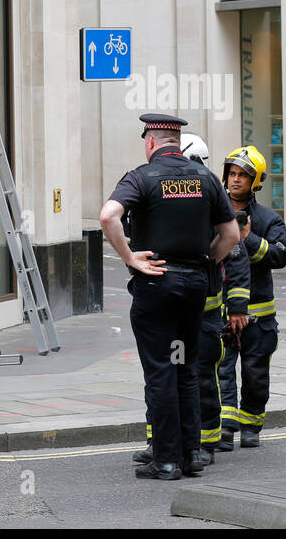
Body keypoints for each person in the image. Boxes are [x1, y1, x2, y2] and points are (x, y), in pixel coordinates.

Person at [101, 114, 238, 480]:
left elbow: (108, 217)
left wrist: (130, 258)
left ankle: (165, 460)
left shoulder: (140, 178)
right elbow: (232, 235)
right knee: (186, 369)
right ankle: (192, 453)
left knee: (161, 371)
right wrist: (208, 259)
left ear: (150, 142)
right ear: (177, 143)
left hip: (156, 286)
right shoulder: (206, 179)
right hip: (194, 288)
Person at [130, 133, 250, 468]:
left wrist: (238, 306)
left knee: (185, 376)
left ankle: (197, 446)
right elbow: (229, 244)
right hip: (196, 306)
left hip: (202, 315)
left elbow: (235, 256)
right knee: (179, 375)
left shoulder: (206, 201)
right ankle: (171, 446)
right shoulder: (207, 194)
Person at [216, 145, 286, 449]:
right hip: (220, 310)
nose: (235, 180)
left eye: (243, 176)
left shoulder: (268, 219)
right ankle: (225, 426)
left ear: (255, 180)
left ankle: (251, 424)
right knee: (222, 370)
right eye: (232, 174)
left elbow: (280, 256)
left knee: (256, 374)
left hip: (259, 314)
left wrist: (249, 238)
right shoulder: (213, 213)